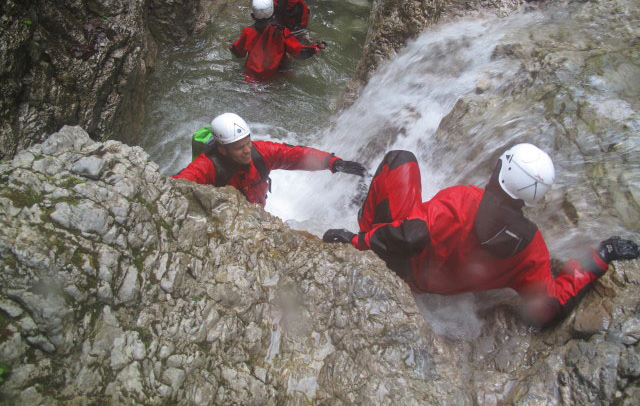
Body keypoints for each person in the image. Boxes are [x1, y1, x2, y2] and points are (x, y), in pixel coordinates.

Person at [322, 144, 639, 327]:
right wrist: (601, 256)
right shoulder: (531, 249)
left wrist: (355, 240)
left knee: (400, 159)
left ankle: (364, 220)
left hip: (403, 266)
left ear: (500, 169)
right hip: (440, 288)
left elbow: (410, 235)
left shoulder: (462, 202)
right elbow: (549, 307)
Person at [173, 112, 366, 207]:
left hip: (255, 211)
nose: (247, 151)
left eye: (248, 143)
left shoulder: (260, 153)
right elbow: (174, 185)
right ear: (222, 150)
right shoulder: (207, 166)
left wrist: (332, 162)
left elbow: (296, 155)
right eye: (239, 148)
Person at [230, 0, 324, 83]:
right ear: (273, 11)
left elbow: (238, 53)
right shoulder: (281, 32)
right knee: (292, 67)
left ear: (253, 15)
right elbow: (298, 52)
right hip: (273, 78)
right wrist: (316, 48)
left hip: (250, 79)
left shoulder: (247, 32)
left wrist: (231, 45)